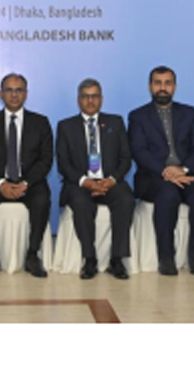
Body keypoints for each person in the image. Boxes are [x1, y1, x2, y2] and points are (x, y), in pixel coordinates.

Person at [128, 66, 194, 275]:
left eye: (167, 83)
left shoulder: (189, 113)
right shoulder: (138, 116)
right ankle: (166, 256)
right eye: (158, 83)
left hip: (187, 172)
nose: (162, 88)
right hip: (153, 177)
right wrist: (165, 171)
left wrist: (182, 169)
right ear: (150, 86)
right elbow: (139, 151)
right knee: (168, 195)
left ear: (174, 86)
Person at [0, 73, 53, 278]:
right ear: (1, 94)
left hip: (30, 183)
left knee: (42, 200)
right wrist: (1, 183)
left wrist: (25, 183)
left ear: (26, 94)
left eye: (19, 90)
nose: (14, 95)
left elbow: (45, 160)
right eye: (9, 90)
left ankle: (32, 255)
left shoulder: (41, 122)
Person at [56, 78, 134, 279]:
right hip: (80, 183)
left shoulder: (115, 122)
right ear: (78, 99)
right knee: (81, 203)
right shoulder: (65, 126)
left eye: (95, 96)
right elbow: (63, 164)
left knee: (125, 200)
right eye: (85, 96)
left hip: (110, 181)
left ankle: (116, 259)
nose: (90, 101)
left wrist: (112, 179)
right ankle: (89, 259)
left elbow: (126, 158)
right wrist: (86, 182)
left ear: (101, 99)